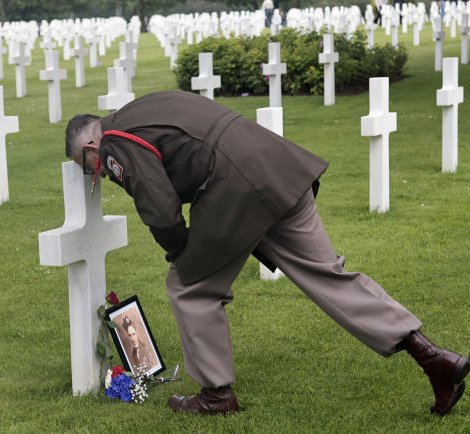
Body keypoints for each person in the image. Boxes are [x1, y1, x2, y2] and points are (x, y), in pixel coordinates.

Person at [64, 92, 469, 416]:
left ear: (90, 144)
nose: (95, 173)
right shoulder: (142, 106)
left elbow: (159, 207)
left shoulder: (115, 142)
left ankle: (216, 397)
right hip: (278, 169)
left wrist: (179, 251)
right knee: (329, 275)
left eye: (89, 165)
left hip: (235, 190)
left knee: (188, 285)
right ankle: (434, 359)